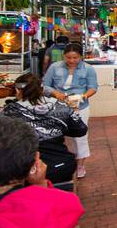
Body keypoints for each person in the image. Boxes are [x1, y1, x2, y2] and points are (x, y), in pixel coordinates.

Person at [2, 73, 89, 186]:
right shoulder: (61, 106)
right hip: (62, 165)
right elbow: (81, 130)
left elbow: (0, 139)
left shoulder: (9, 111)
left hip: (26, 170)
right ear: (42, 89)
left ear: (18, 91)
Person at [42, 43, 99, 178]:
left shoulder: (88, 69)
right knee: (59, 136)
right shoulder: (54, 67)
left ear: (81, 57)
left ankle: (80, 166)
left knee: (80, 136)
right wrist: (56, 94)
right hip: (57, 106)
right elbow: (45, 85)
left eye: (75, 58)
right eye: (68, 58)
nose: (72, 61)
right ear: (64, 56)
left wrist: (83, 96)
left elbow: (93, 87)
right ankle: (64, 163)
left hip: (80, 107)